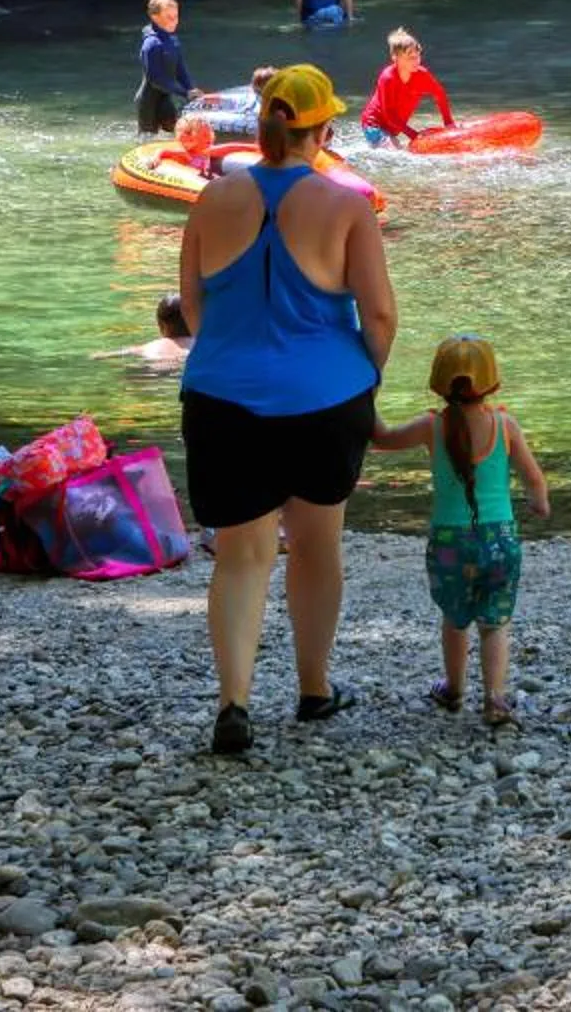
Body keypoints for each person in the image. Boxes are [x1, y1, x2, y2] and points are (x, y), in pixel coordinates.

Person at [179, 64, 396, 755]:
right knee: (315, 545)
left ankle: (234, 703)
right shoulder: (347, 206)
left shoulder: (210, 202)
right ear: (324, 129)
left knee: (240, 555)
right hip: (325, 397)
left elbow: (193, 307)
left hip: (221, 396)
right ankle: (313, 689)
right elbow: (382, 314)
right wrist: (366, 374)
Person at [370, 334, 551, 729]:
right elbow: (534, 479)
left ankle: (453, 689)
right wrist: (539, 503)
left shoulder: (430, 427)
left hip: (450, 544)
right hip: (500, 539)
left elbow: (380, 439)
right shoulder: (505, 425)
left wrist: (365, 395)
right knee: (495, 622)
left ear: (438, 380)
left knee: (455, 619)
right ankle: (495, 699)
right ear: (492, 382)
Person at [361, 29, 455, 147]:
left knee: (395, 145)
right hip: (373, 123)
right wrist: (413, 135)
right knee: (394, 152)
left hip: (394, 127)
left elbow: (439, 94)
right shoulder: (388, 78)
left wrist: (449, 123)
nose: (417, 61)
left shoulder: (422, 74)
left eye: (418, 56)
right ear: (395, 58)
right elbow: (389, 114)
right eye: (411, 57)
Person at [137, 0, 193, 135]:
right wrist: (184, 92)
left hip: (165, 98)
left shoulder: (173, 40)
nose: (174, 21)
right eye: (169, 17)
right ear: (155, 17)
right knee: (147, 140)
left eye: (176, 17)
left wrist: (191, 89)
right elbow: (156, 79)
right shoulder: (151, 44)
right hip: (148, 103)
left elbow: (180, 69)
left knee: (179, 133)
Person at [107, 294, 194, 368]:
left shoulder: (149, 348)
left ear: (160, 324)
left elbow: (111, 355)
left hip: (154, 366)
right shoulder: (201, 345)